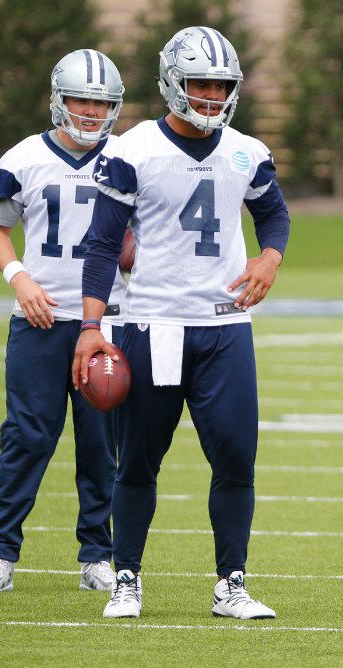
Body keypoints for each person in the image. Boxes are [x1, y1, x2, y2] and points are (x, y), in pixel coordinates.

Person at [71, 26, 290, 620]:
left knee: (236, 458)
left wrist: (269, 257)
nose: (214, 97)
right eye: (202, 84)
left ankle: (232, 584)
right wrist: (92, 327)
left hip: (224, 328)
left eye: (222, 86)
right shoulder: (134, 149)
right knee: (139, 460)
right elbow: (101, 246)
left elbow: (274, 216)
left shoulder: (246, 150)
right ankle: (126, 579)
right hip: (152, 326)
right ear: (173, 81)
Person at [0, 49, 127, 594]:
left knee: (101, 443)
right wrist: (19, 276)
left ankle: (97, 556)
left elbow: (142, 242)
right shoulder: (24, 158)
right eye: (81, 99)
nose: (90, 111)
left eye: (101, 102)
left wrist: (136, 256)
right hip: (38, 319)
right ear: (59, 99)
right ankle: (0, 554)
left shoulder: (129, 158)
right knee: (27, 436)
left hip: (105, 323)